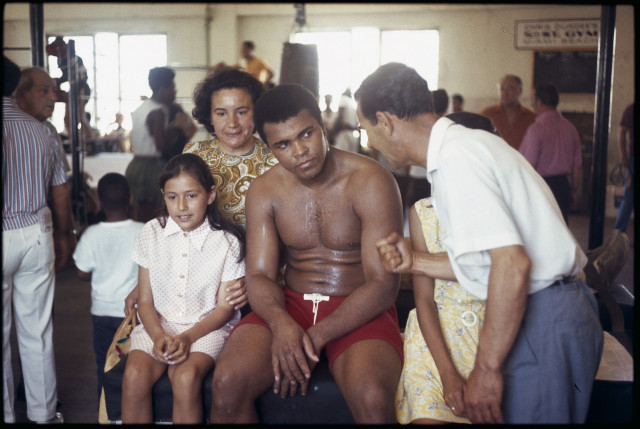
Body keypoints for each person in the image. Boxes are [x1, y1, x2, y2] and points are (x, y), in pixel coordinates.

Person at [355, 62, 603, 424]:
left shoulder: (458, 157)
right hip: (544, 311)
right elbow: (488, 260)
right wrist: (416, 261)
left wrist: (486, 370)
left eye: (366, 129)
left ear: (386, 121)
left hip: (546, 314)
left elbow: (512, 264)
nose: (368, 141)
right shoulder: (458, 153)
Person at [209, 84, 405, 424]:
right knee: (227, 383)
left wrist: (314, 337)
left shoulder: (371, 180)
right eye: (283, 144)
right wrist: (282, 324)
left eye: (306, 134)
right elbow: (259, 276)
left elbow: (384, 283)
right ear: (269, 148)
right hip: (291, 305)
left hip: (358, 307)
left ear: (323, 127)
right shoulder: (265, 190)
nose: (299, 151)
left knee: (373, 400)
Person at [382, 113, 497, 424]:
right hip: (436, 339)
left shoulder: (499, 211)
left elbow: (492, 273)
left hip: (494, 335)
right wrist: (447, 373)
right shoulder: (424, 213)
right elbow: (424, 300)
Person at [121, 153, 246, 424]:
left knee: (186, 377)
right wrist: (157, 336)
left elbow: (225, 308)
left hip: (205, 328)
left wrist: (188, 337)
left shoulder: (227, 242)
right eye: (172, 197)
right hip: (158, 324)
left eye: (191, 195)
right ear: (163, 196)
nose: (181, 207)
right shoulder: (151, 232)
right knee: (134, 376)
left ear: (210, 195)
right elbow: (144, 300)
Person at [3, 55, 75, 424]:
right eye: (44, 90)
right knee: (38, 332)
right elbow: (60, 193)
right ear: (17, 91)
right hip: (34, 235)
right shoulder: (42, 131)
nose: (52, 96)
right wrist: (65, 236)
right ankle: (44, 414)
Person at [72, 173, 143, 402]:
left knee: (105, 363)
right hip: (134, 314)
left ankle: (106, 412)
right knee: (133, 363)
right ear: (130, 200)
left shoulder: (92, 234)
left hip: (102, 314)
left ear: (100, 203)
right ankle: (132, 410)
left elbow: (82, 271)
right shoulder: (143, 230)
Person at [184, 67, 277, 230]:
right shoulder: (193, 155)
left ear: (257, 113)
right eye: (221, 114)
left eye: (241, 112)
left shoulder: (276, 160)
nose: (232, 123)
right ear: (210, 117)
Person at [125, 67, 192, 223]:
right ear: (163, 89)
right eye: (172, 88)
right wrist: (178, 128)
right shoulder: (157, 112)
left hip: (136, 164)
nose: (174, 92)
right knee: (151, 218)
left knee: (139, 214)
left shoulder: (143, 107)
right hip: (149, 168)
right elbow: (161, 144)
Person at [519, 82, 582, 224]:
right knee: (561, 230)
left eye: (532, 100)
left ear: (538, 101)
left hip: (542, 187)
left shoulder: (536, 129)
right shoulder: (570, 128)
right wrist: (572, 190)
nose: (531, 104)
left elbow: (530, 166)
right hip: (563, 186)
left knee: (541, 230)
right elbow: (577, 168)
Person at [15, 66, 71, 175]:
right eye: (44, 91)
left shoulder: (49, 129)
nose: (53, 97)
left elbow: (60, 179)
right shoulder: (9, 130)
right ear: (22, 95)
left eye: (53, 91)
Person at [406, 89, 449, 210]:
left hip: (418, 176)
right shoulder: (448, 126)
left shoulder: (417, 123)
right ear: (447, 105)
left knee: (417, 215)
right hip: (437, 178)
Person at [479, 74, 536, 150]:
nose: (505, 93)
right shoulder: (486, 114)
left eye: (510, 88)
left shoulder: (532, 118)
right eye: (502, 89)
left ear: (520, 91)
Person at [614, 102, 634, 232]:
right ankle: (619, 231)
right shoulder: (631, 109)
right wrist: (623, 156)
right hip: (634, 158)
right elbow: (621, 132)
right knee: (629, 196)